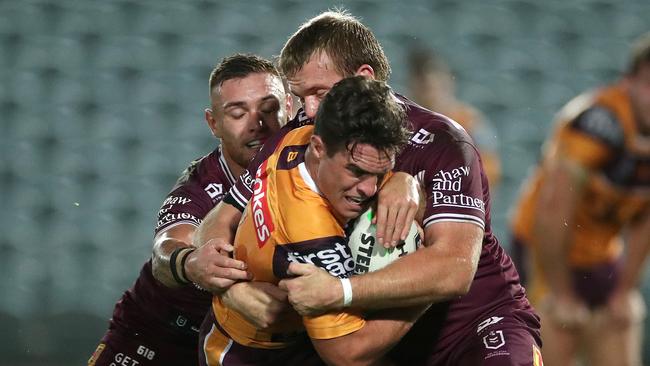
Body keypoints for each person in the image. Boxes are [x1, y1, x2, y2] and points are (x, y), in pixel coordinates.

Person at [188, 10, 542, 366]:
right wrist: (231, 288)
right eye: (300, 96)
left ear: (364, 77)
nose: (308, 110)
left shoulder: (443, 143)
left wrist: (340, 291)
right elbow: (223, 217)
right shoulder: (298, 137)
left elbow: (453, 268)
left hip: (472, 328)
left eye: (319, 92)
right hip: (382, 341)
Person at [200, 76, 427, 365]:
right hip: (256, 355)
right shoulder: (307, 235)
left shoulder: (295, 137)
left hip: (300, 334)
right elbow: (347, 355)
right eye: (356, 171)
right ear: (319, 149)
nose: (369, 189)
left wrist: (403, 181)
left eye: (381, 173)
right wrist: (421, 290)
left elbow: (226, 211)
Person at [87, 54, 292, 366]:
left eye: (269, 108)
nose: (257, 124)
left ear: (290, 106)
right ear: (214, 124)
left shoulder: (314, 159)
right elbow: (165, 251)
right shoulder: (202, 186)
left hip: (249, 346)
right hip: (162, 337)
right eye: (237, 113)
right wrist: (190, 261)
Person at [509, 33, 650, 366]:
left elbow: (646, 218)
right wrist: (561, 293)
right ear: (628, 82)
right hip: (543, 247)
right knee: (554, 329)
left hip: (599, 252)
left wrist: (625, 289)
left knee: (623, 320)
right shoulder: (596, 123)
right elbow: (553, 211)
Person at [407, 47, 501, 187]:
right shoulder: (404, 120)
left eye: (435, 87)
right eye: (425, 88)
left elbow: (490, 168)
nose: (432, 94)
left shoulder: (468, 121)